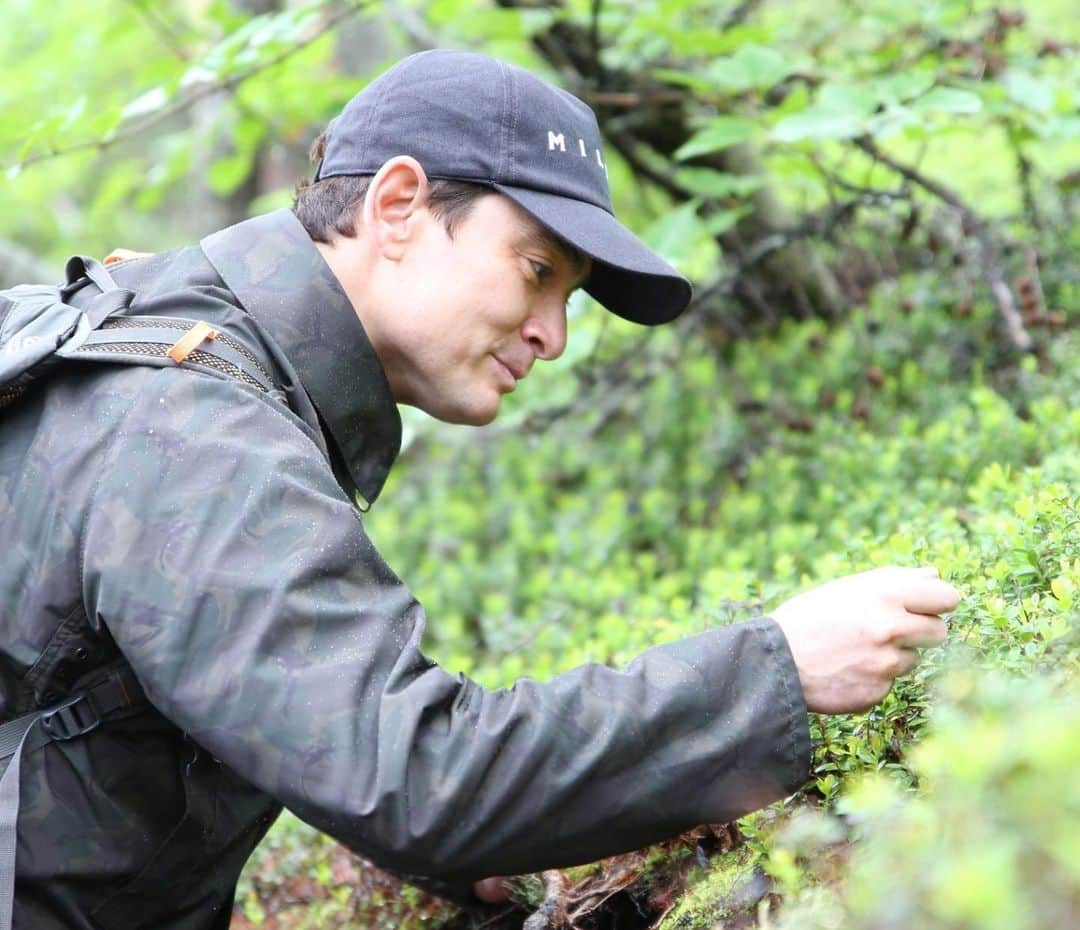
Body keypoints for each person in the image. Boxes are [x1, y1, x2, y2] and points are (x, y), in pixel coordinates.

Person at [0, 49, 958, 929]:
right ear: (399, 206)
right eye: (536, 271)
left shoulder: (131, 327)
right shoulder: (198, 433)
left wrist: (459, 828)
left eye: (570, 297)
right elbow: (421, 779)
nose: (555, 334)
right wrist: (776, 671)